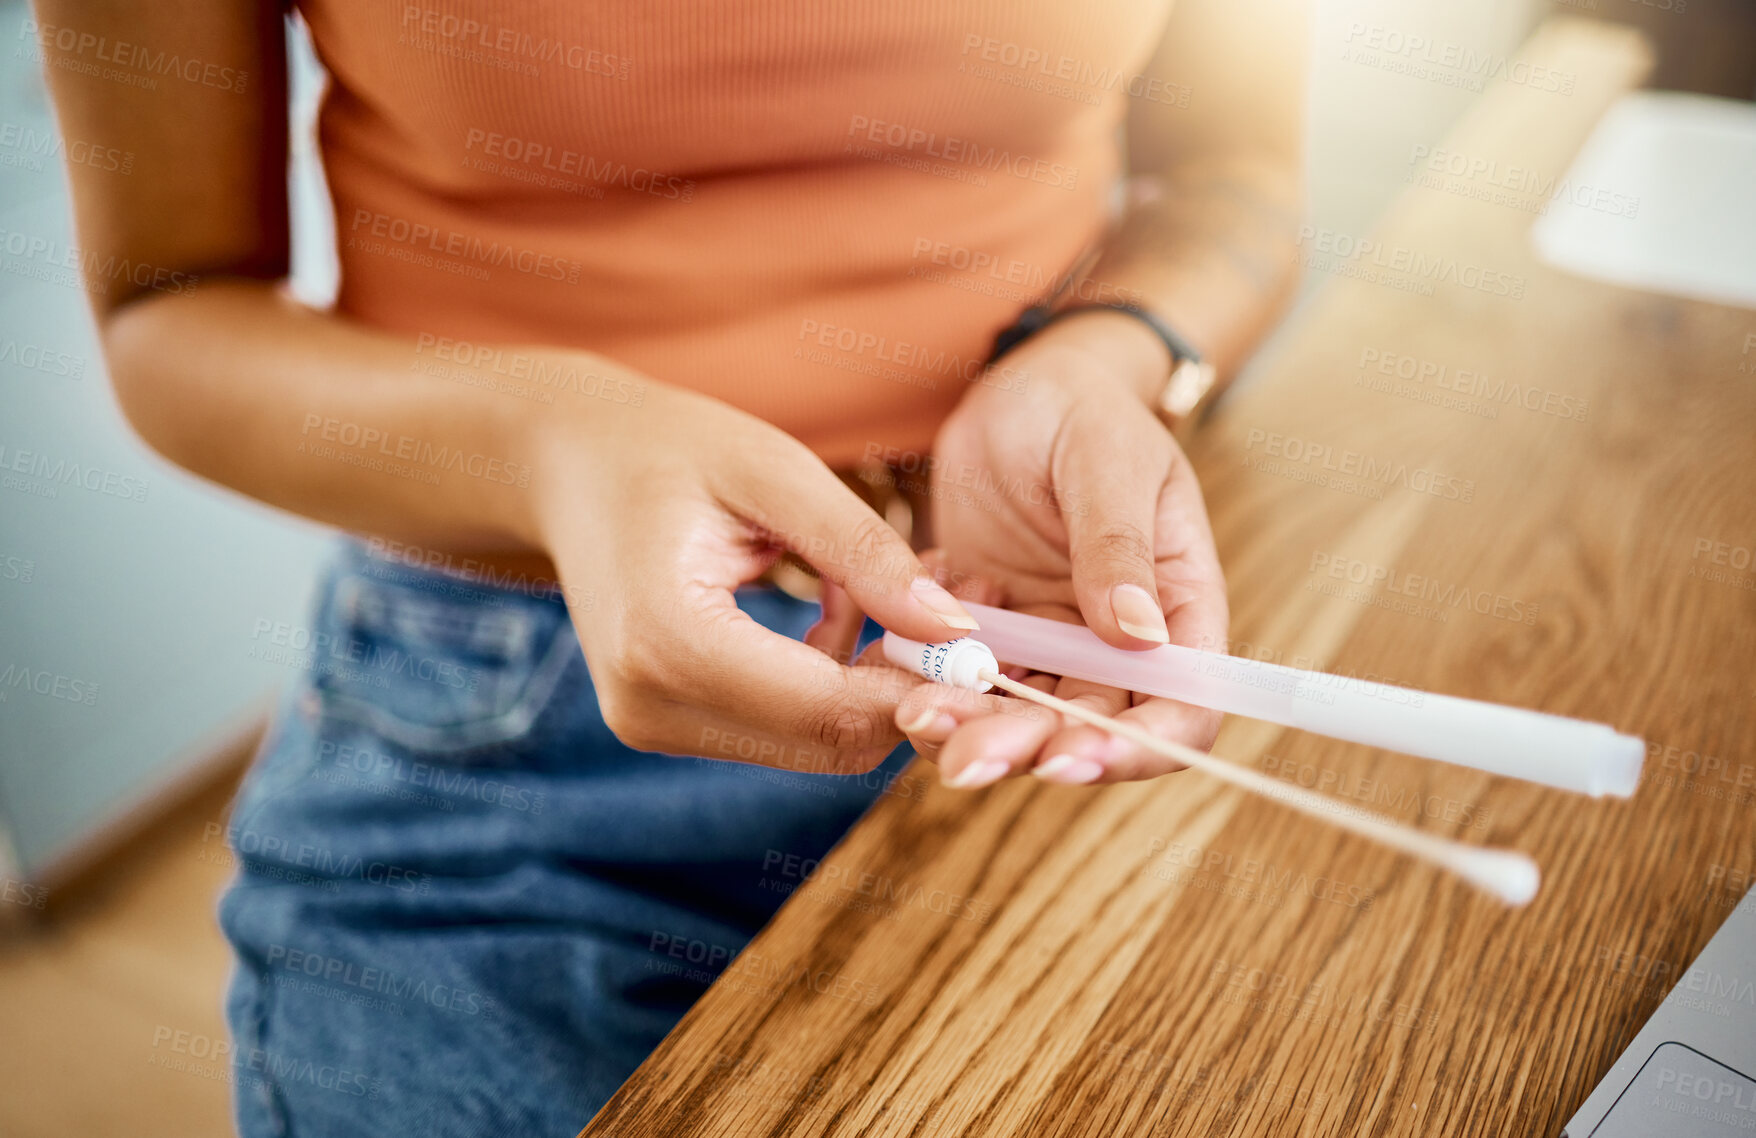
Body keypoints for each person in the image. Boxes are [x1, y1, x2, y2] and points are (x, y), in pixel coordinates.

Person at [36, 0, 1303, 1130]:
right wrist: (547, 444)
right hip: (501, 722)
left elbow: (1235, 176)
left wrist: (1099, 356)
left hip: (1040, 633)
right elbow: (168, 316)